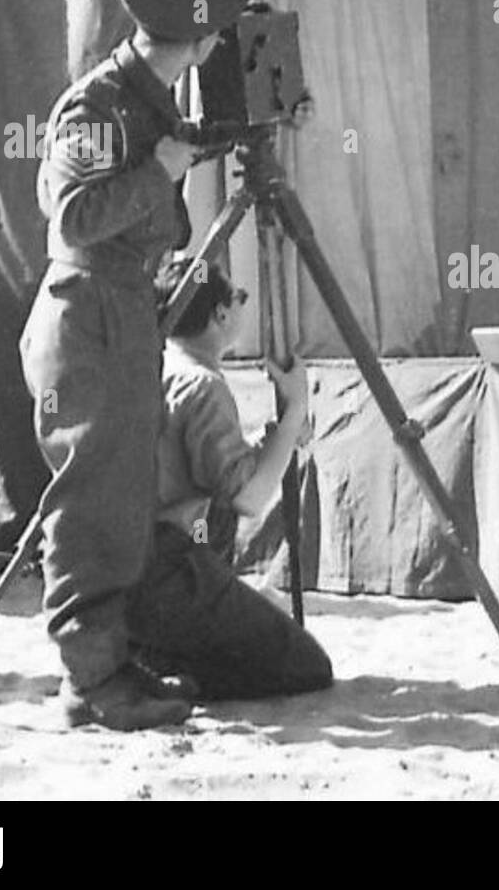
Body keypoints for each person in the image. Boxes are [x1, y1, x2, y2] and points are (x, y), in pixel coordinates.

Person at [20, 0, 250, 730]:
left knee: (121, 499)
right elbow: (76, 216)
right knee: (89, 502)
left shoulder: (148, 100)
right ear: (200, 34)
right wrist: (161, 170)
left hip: (123, 312)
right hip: (88, 313)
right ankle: (88, 683)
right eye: (218, 29)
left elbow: (165, 158)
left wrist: (241, 132)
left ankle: (112, 666)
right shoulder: (96, 104)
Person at [127, 257, 334, 700]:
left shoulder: (158, 369)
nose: (242, 305)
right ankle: (188, 679)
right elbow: (249, 498)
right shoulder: (204, 386)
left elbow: (203, 468)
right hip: (169, 570)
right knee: (308, 666)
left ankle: (166, 655)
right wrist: (296, 408)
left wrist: (275, 440)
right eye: (238, 297)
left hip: (129, 566)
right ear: (221, 314)